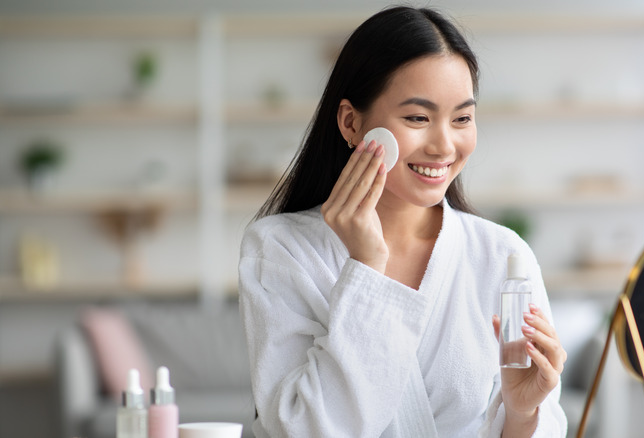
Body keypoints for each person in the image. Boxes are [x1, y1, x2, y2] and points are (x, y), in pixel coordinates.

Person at [238, 6, 567, 438]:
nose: (444, 145)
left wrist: (522, 414)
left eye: (462, 118)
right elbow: (299, 431)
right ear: (352, 123)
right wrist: (367, 268)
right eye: (417, 118)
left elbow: (539, 423)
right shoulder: (279, 249)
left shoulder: (503, 256)